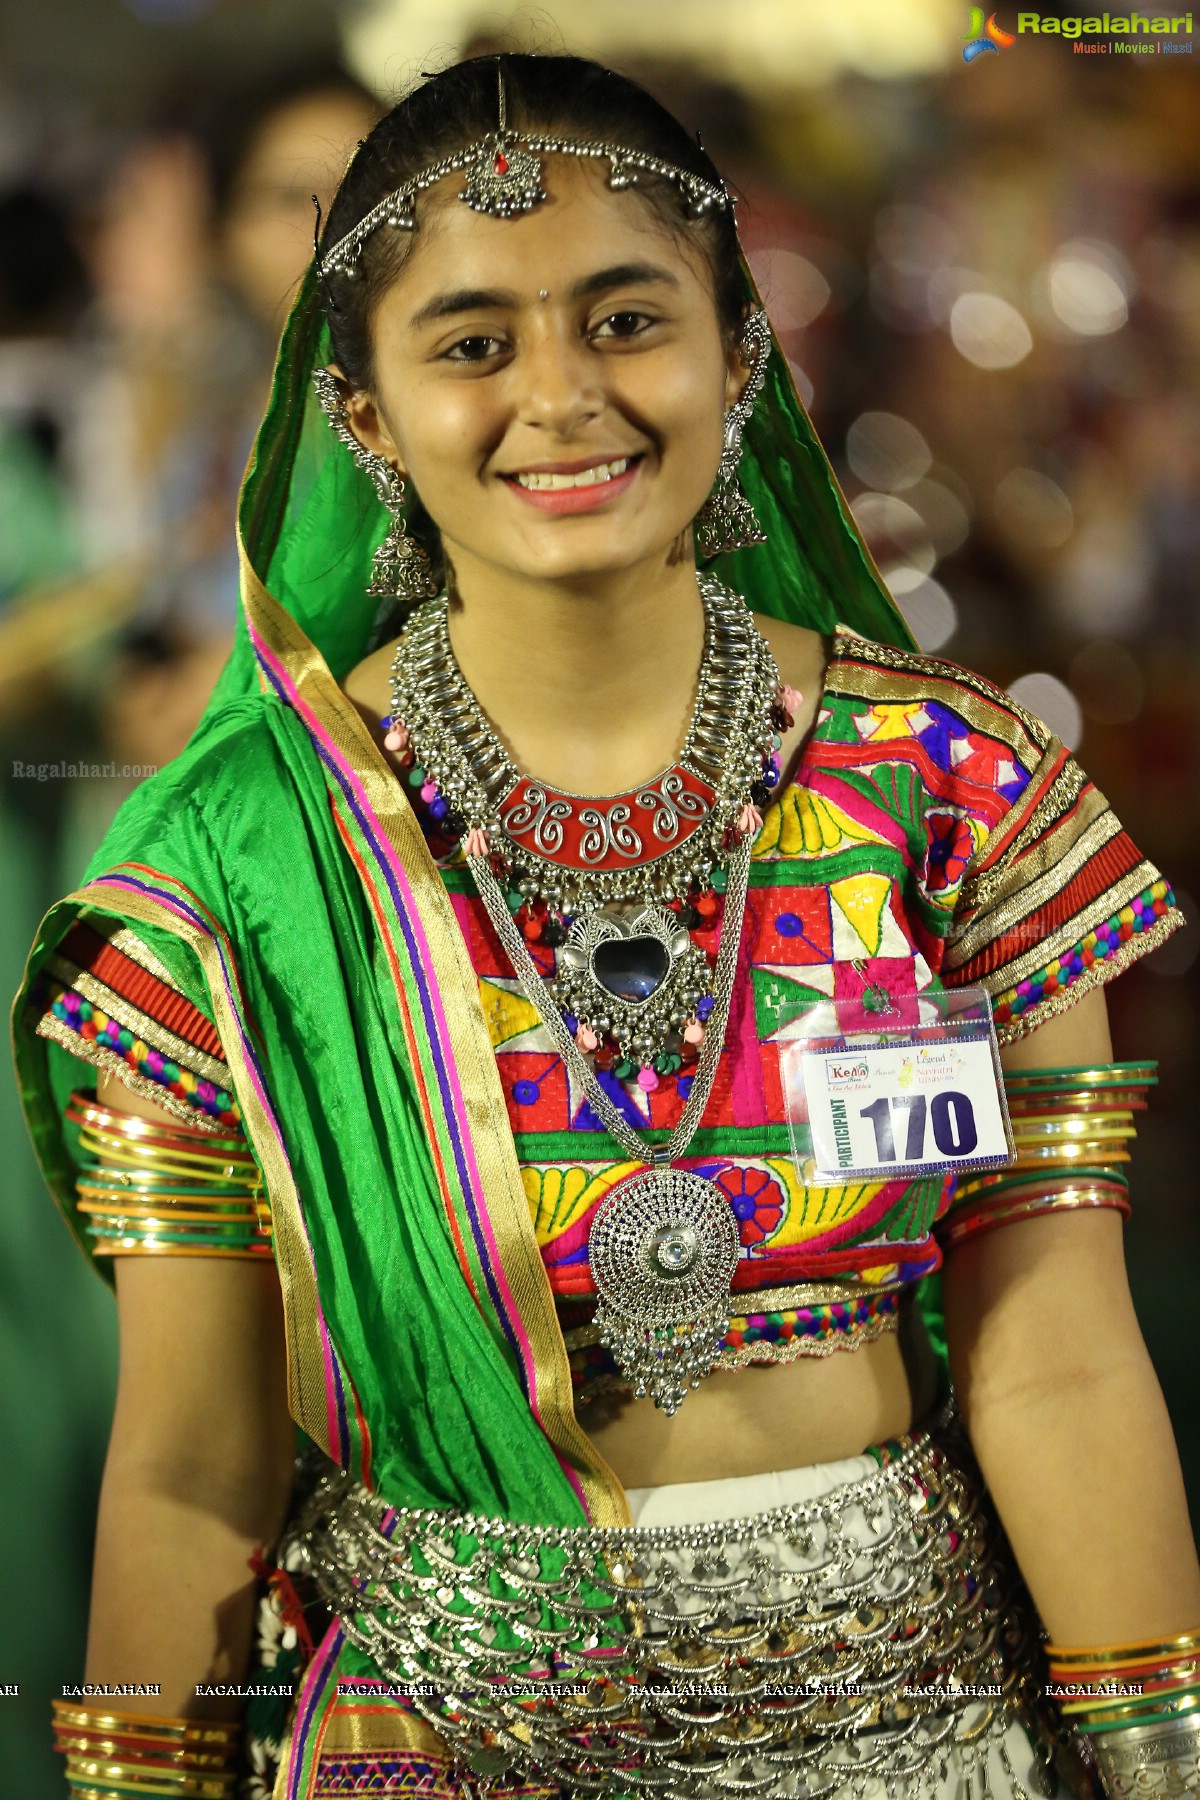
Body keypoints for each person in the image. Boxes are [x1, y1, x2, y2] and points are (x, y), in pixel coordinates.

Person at [13, 52, 1200, 1800]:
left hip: (914, 1743)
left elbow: (1067, 1356)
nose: (560, 399)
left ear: (738, 353)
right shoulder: (244, 875)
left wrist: (1157, 1755)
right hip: (430, 1752)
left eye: (626, 319)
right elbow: (189, 1475)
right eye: (473, 343)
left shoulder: (945, 787)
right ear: (364, 413)